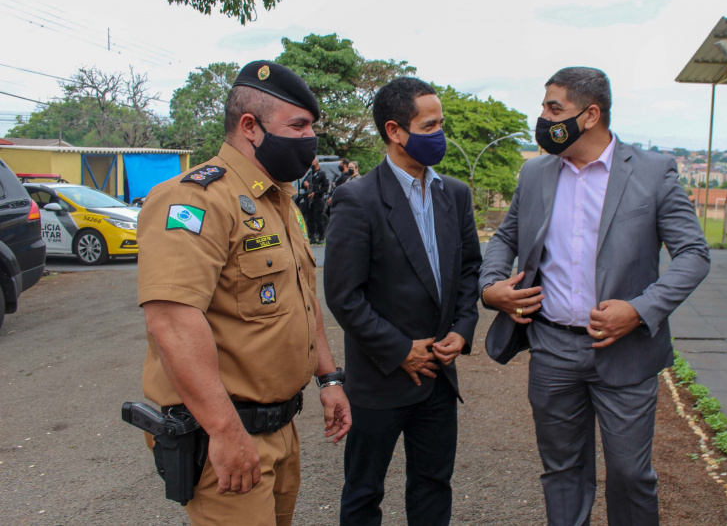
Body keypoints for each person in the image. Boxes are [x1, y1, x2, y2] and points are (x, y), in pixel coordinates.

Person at [479, 67, 709, 526]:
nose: (544, 118)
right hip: (551, 348)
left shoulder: (653, 171)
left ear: (590, 115)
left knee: (630, 474)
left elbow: (693, 255)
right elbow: (505, 237)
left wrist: (640, 310)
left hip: (625, 350)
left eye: (554, 108)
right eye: (545, 108)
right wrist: (491, 287)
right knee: (562, 471)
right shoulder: (536, 173)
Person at [136, 60, 351, 526]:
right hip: (227, 430)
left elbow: (302, 300)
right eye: (299, 126)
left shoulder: (279, 199)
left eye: (311, 127)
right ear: (250, 127)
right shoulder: (194, 200)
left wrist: (329, 379)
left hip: (280, 427)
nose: (310, 138)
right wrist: (224, 430)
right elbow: (171, 322)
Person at [324, 76, 482, 526]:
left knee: (433, 485)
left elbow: (469, 270)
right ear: (394, 131)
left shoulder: (455, 194)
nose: (440, 134)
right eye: (429, 126)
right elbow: (343, 296)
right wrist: (399, 350)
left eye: (440, 124)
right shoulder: (357, 199)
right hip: (380, 380)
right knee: (363, 492)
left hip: (438, 378)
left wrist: (462, 330)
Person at [305, 157, 329, 244]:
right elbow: (305, 182)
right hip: (310, 200)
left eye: (313, 164)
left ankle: (321, 236)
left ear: (317, 163)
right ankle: (312, 237)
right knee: (310, 219)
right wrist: (305, 183)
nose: (312, 165)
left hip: (318, 199)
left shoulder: (322, 174)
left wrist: (316, 193)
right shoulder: (310, 174)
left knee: (318, 219)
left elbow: (326, 187)